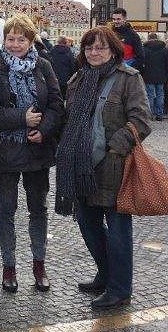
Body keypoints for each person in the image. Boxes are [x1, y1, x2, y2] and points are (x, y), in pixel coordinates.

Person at [56, 26, 151, 311]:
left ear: (113, 50)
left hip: (114, 167)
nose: (94, 53)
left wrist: (115, 147)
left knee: (119, 229)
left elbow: (141, 120)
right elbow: (67, 116)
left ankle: (120, 289)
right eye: (89, 48)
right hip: (82, 166)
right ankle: (105, 274)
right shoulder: (77, 79)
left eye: (100, 48)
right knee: (87, 223)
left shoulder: (127, 79)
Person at [0, 15, 64, 293]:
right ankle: (9, 267)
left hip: (37, 149)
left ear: (31, 41)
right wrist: (21, 118)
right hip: (5, 151)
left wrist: (44, 129)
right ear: (4, 40)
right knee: (6, 210)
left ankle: (39, 264)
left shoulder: (44, 67)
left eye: (21, 39)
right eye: (11, 38)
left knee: (38, 209)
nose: (16, 44)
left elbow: (56, 105)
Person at [142, 33, 168, 120]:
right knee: (160, 95)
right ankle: (159, 115)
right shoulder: (164, 50)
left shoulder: (144, 49)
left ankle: (150, 115)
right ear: (157, 38)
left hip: (148, 75)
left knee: (150, 95)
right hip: (161, 76)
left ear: (148, 38)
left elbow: (142, 63)